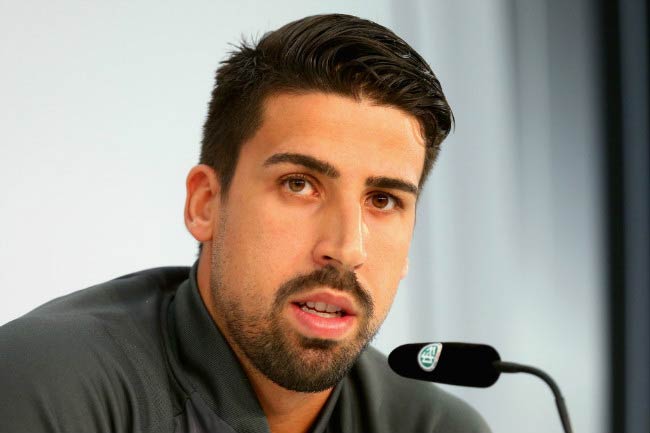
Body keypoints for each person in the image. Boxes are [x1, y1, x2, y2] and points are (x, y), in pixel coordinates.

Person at [0, 14, 490, 433]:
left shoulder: (436, 426)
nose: (345, 248)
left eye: (382, 200)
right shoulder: (49, 387)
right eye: (299, 184)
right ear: (206, 204)